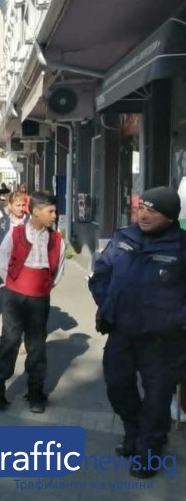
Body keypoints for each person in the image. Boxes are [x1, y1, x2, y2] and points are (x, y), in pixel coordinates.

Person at [89, 186, 186, 479]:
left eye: (151, 210)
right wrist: (107, 305)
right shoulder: (123, 237)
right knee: (117, 387)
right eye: (141, 207)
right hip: (122, 332)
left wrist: (175, 320)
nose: (143, 214)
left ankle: (148, 450)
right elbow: (101, 274)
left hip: (163, 342)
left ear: (169, 216)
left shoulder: (181, 248)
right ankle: (134, 433)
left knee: (157, 400)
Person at [0, 191, 65, 413]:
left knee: (37, 344)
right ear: (36, 211)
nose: (54, 215)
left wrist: (41, 287)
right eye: (50, 211)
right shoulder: (15, 233)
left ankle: (35, 391)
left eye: (54, 210)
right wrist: (15, 285)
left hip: (39, 297)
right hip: (14, 294)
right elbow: (3, 262)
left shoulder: (57, 239)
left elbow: (58, 271)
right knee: (9, 340)